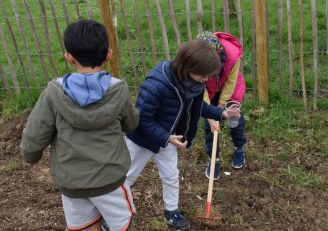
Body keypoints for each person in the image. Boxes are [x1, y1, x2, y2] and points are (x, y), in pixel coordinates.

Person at [20, 19, 139, 231]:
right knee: (121, 225)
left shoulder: (53, 93)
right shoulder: (118, 91)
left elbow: (35, 134)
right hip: (110, 179)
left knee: (84, 226)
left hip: (71, 181)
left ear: (69, 57)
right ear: (108, 54)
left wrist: (30, 156)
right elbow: (131, 124)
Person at [124, 40, 240, 231]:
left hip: (169, 139)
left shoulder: (194, 84)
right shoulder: (156, 85)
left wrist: (222, 114)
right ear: (187, 67)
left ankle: (171, 211)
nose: (205, 80)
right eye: (203, 76)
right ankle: (115, 212)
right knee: (127, 177)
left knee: (171, 175)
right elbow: (141, 119)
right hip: (142, 140)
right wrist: (166, 138)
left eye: (208, 77)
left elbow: (198, 106)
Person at [196, 31, 247, 181]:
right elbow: (200, 89)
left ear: (218, 54)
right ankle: (214, 158)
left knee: (234, 119)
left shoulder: (232, 55)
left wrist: (221, 106)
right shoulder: (196, 61)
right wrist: (213, 116)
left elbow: (231, 81)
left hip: (230, 88)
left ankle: (239, 148)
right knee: (210, 126)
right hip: (208, 91)